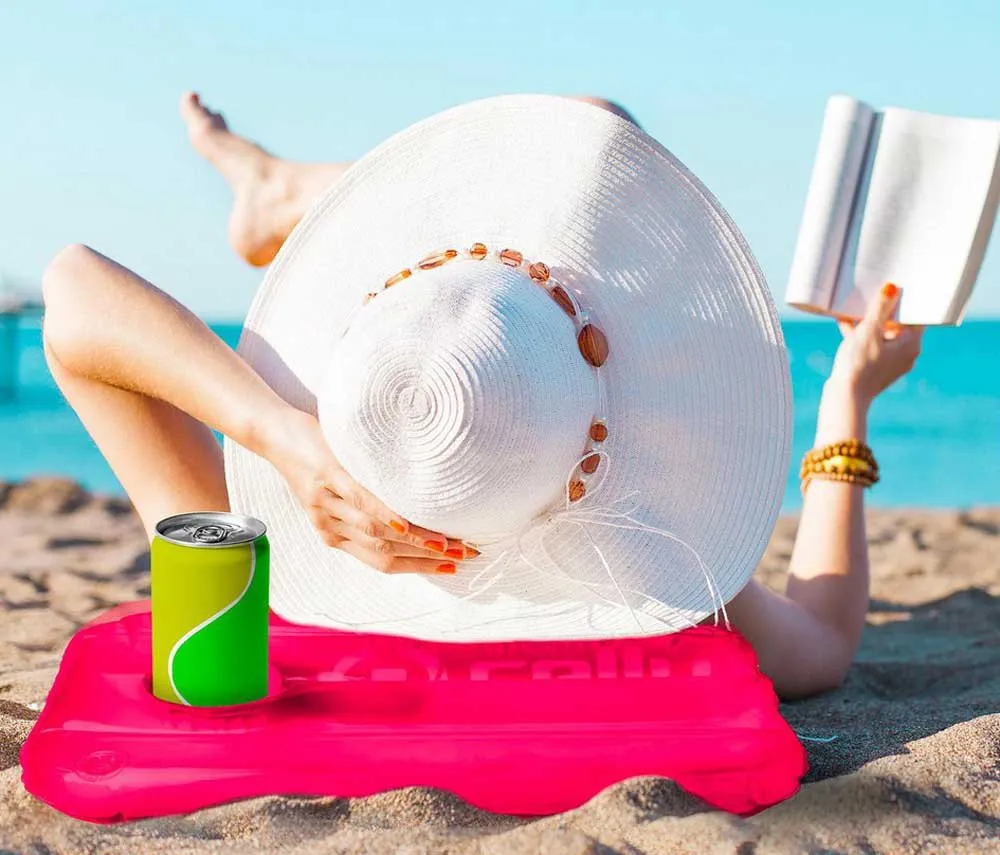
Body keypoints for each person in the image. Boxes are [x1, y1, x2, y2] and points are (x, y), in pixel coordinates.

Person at [40, 93, 924, 700]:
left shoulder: (255, 599)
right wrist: (848, 395)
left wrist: (286, 441)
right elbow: (823, 642)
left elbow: (74, 289)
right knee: (594, 128)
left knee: (588, 133)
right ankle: (293, 195)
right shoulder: (649, 587)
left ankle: (288, 195)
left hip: (323, 481)